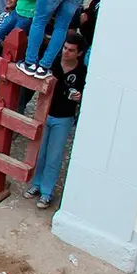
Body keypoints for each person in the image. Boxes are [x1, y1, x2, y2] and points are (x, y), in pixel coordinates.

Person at [23, 32, 88, 209]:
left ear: (79, 53)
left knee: (54, 156)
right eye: (65, 48)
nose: (66, 52)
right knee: (40, 152)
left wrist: (79, 98)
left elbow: (84, 95)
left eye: (71, 50)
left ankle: (46, 191)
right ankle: (36, 185)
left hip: (64, 117)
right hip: (45, 114)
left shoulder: (82, 72)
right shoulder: (51, 63)